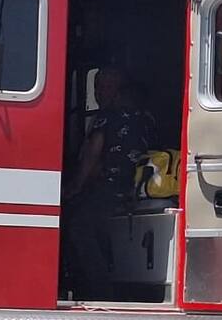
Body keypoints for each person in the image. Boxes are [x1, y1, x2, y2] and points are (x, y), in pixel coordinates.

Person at [65, 67, 155, 298]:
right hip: (138, 187)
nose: (98, 93)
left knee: (77, 225)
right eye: (96, 86)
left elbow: (92, 154)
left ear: (118, 90)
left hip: (112, 186)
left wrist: (75, 186)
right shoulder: (147, 117)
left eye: (104, 87)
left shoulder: (106, 117)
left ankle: (96, 290)